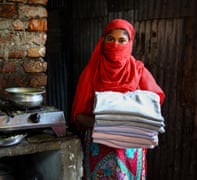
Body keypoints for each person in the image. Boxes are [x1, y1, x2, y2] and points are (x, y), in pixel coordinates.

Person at [70, 19, 165, 180]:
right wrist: (107, 125)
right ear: (103, 41)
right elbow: (78, 114)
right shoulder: (92, 72)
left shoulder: (139, 71)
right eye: (111, 39)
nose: (115, 45)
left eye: (122, 40)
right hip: (98, 147)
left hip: (130, 150)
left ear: (130, 43)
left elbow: (154, 105)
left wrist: (123, 123)